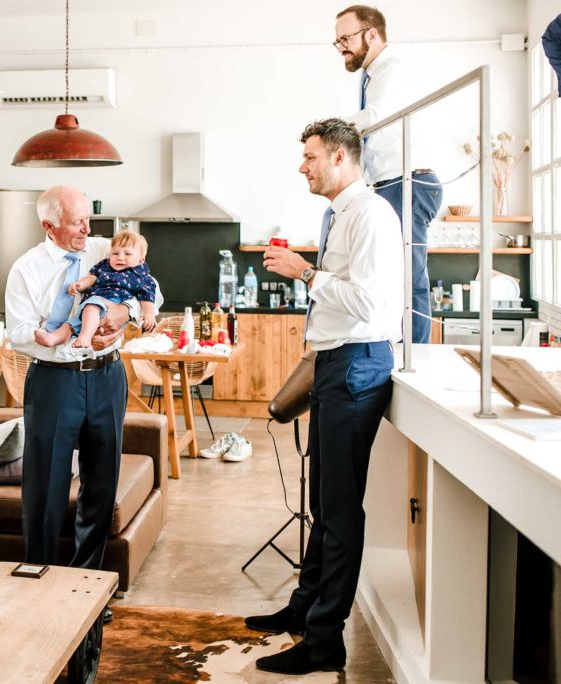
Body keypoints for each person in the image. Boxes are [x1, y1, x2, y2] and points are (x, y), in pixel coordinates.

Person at [255, 118, 403, 674]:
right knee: (323, 504)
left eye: (311, 156)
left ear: (340, 158)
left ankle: (324, 643)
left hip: (356, 369)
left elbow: (367, 305)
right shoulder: (342, 213)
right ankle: (302, 611)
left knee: (339, 513)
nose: (303, 166)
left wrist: (305, 273)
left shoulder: (369, 216)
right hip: (336, 367)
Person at [5, 185, 160, 579]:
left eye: (88, 219)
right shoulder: (26, 268)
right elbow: (20, 333)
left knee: (101, 485)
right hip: (55, 383)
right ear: (49, 225)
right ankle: (38, 578)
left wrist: (124, 314)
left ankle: (84, 582)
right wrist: (74, 345)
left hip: (108, 377)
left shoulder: (103, 249)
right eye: (78, 223)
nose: (87, 230)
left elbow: (151, 286)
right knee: (46, 490)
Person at [334, 4, 442, 343]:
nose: (341, 48)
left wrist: (331, 131)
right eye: (336, 42)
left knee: (409, 275)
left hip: (406, 181)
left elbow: (378, 115)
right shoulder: (373, 75)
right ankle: (396, 348)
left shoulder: (393, 67)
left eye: (346, 39)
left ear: (371, 34)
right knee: (388, 275)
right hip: (388, 183)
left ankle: (417, 354)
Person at [33, 229, 157, 350]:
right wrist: (80, 285)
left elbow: (147, 295)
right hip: (92, 304)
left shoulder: (140, 276)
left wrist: (149, 314)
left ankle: (85, 337)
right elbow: (92, 277)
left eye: (127, 254)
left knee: (91, 308)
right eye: (115, 253)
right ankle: (53, 338)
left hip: (109, 303)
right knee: (71, 324)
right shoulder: (105, 266)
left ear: (141, 260)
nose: (120, 257)